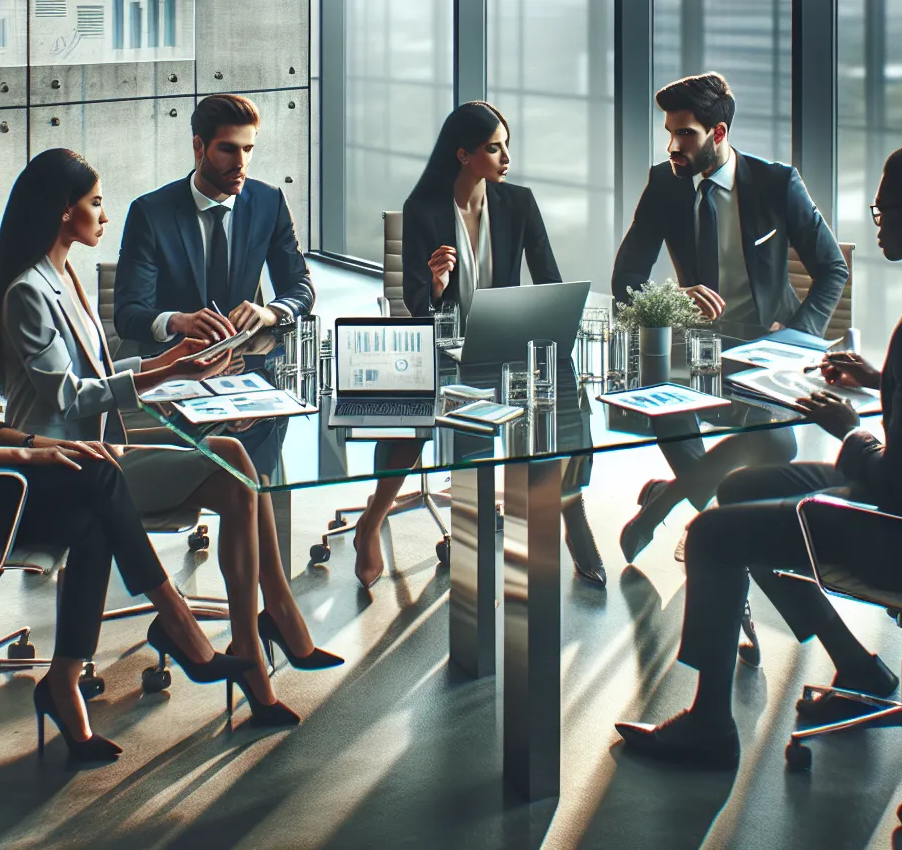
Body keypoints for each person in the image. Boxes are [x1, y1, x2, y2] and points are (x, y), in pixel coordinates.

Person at [613, 142, 902, 768]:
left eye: (882, 209)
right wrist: (883, 380)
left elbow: (901, 487)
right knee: (740, 489)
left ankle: (709, 727)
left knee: (713, 536)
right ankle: (857, 666)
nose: (876, 220)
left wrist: (848, 429)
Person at [0, 174, 253, 764]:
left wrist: (36, 441)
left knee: (92, 501)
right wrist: (29, 455)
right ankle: (177, 623)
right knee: (98, 479)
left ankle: (65, 682)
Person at [0, 149, 342, 729]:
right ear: (63, 210)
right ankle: (256, 646)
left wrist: (172, 365)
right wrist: (166, 371)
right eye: (95, 203)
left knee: (234, 458)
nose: (105, 215)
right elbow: (69, 396)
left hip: (101, 451)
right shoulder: (28, 290)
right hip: (64, 466)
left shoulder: (62, 274)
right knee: (233, 469)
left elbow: (99, 374)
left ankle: (253, 640)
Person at [611, 72, 849, 661]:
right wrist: (675, 296)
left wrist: (796, 338)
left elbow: (831, 271)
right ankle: (716, 549)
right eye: (669, 133)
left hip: (766, 356)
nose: (673, 146)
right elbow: (626, 279)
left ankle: (669, 502)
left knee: (777, 445)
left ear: (718, 133)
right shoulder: (665, 185)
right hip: (694, 356)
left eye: (685, 134)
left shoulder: (776, 184)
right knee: (670, 420)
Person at [352, 102, 605, 588]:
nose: (507, 157)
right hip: (441, 349)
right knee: (414, 416)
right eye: (494, 148)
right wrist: (438, 283)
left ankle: (572, 513)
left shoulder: (518, 203)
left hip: (503, 344)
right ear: (463, 155)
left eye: (506, 145)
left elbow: (548, 278)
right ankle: (374, 518)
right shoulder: (423, 209)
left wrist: (557, 321)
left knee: (566, 398)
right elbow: (417, 306)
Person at [113, 92, 316, 352]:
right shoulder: (150, 213)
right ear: (199, 146)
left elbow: (300, 286)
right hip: (172, 363)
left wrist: (270, 313)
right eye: (228, 149)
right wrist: (177, 321)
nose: (240, 163)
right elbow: (127, 315)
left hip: (242, 361)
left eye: (248, 149)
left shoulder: (269, 202)